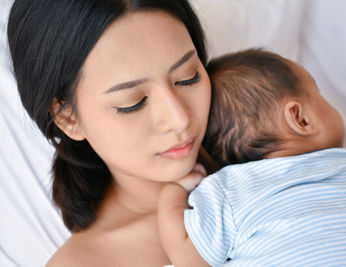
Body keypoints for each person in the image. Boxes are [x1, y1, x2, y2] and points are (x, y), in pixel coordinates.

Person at [7, 0, 219, 266]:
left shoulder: (272, 136)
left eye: (187, 77)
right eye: (133, 103)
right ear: (67, 117)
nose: (179, 118)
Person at [158, 49, 346, 266]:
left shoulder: (228, 191)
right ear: (300, 118)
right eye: (318, 94)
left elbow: (188, 257)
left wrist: (173, 192)